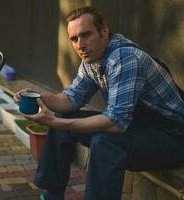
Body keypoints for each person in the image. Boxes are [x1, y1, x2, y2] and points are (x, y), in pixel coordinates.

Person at [13, 6, 184, 200]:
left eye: (86, 35)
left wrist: (57, 123)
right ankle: (52, 195)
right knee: (63, 116)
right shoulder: (92, 59)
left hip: (172, 136)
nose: (80, 45)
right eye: (74, 39)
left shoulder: (125, 58)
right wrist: (39, 97)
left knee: (105, 143)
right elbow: (72, 98)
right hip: (138, 127)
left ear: (104, 32)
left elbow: (116, 122)